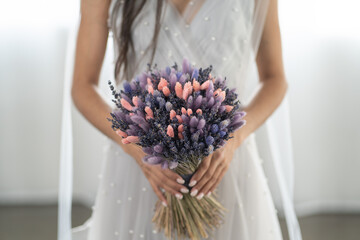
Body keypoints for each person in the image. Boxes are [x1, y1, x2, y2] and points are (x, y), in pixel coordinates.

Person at [65, 0, 302, 239]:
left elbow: (275, 79)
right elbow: (82, 86)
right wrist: (135, 146)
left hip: (223, 163)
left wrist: (234, 137)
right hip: (141, 168)